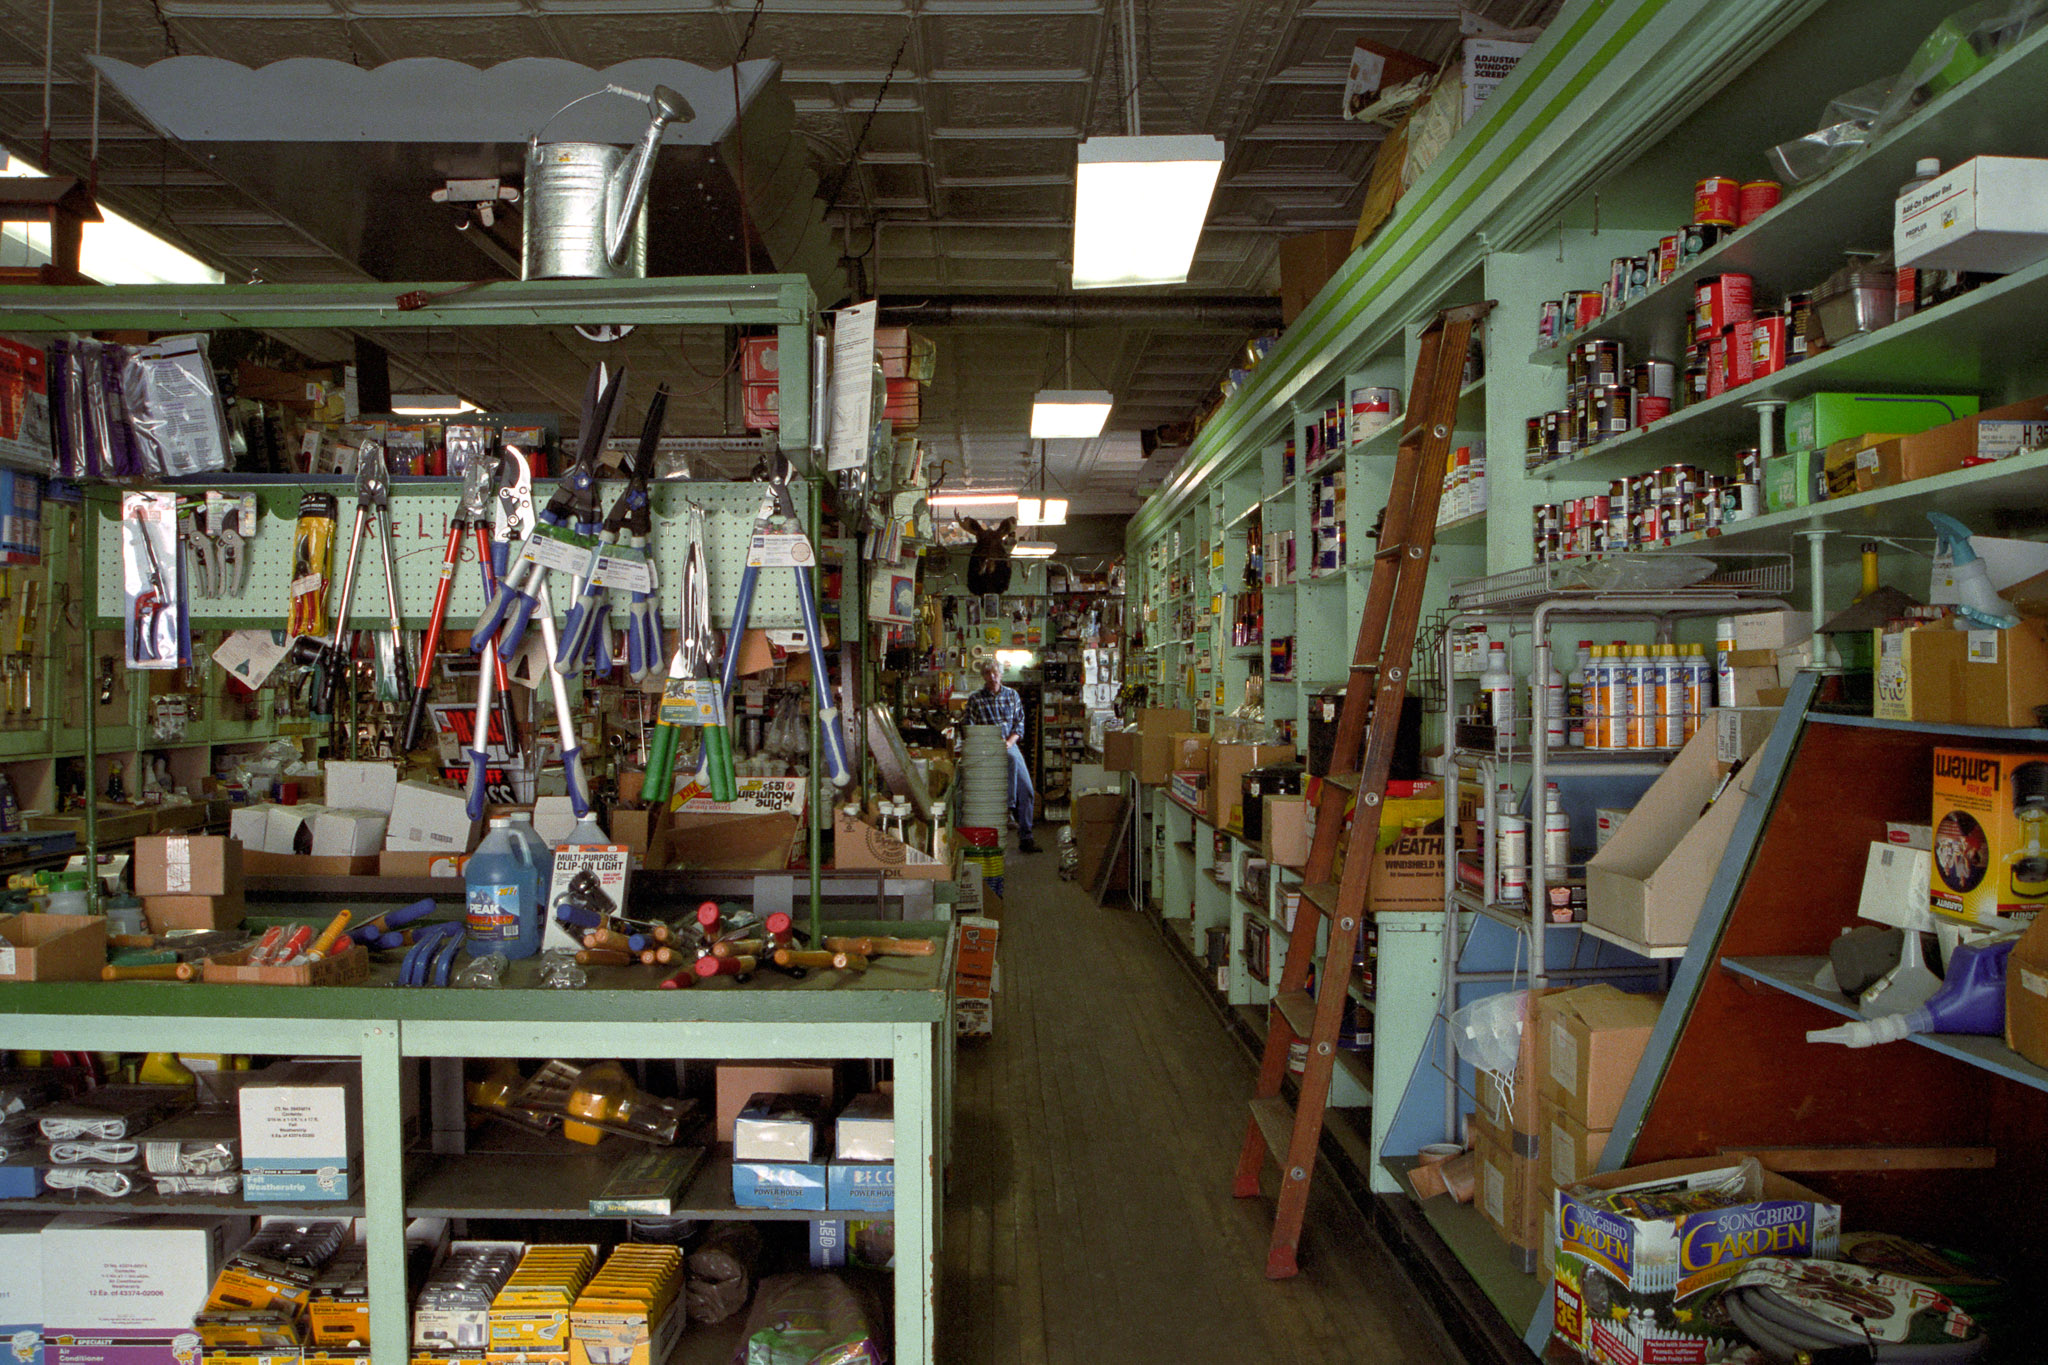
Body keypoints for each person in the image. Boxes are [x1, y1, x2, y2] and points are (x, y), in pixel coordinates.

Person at [964, 659, 1037, 853]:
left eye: (995, 673)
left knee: (1027, 790)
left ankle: (1026, 837)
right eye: (987, 674)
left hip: (1008, 744)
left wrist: (1009, 742)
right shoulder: (975, 699)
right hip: (985, 749)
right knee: (986, 797)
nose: (992, 677)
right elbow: (968, 728)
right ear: (983, 676)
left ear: (1001, 674)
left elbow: (1020, 724)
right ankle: (1006, 812)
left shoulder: (1012, 695)